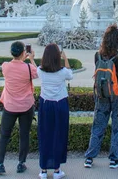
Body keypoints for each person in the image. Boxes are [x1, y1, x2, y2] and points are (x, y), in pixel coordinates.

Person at [84, 24, 118, 169]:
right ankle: (114, 159)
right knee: (117, 127)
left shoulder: (97, 55)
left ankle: (89, 158)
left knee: (98, 126)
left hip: (102, 94)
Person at [0, 41, 37, 176]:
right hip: (26, 106)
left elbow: (14, 64)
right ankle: (21, 163)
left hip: (10, 106)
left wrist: (20, 58)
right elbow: (37, 73)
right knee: (24, 135)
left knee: (4, 135)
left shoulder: (5, 66)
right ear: (24, 52)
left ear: (11, 52)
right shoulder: (28, 68)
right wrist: (31, 59)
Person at [37, 43, 73, 179]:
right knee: (59, 135)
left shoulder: (40, 70)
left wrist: (31, 59)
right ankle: (57, 170)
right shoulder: (62, 71)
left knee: (45, 134)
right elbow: (71, 75)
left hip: (46, 104)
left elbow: (36, 70)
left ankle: (44, 170)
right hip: (60, 104)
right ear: (58, 56)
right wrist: (66, 59)